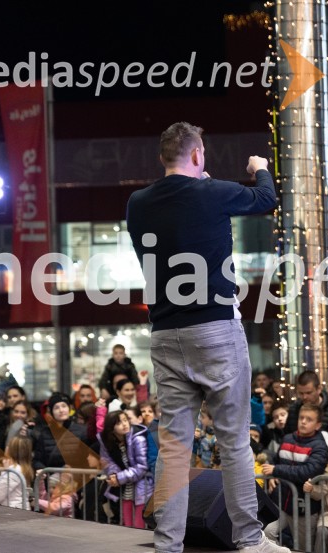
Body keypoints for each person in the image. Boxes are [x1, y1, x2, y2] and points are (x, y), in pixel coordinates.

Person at [126, 122, 280, 553]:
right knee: (234, 443)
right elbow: (266, 198)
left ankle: (168, 545)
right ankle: (250, 540)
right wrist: (260, 168)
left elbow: (177, 213)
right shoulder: (212, 194)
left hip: (165, 333)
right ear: (197, 156)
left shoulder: (137, 203)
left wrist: (206, 187)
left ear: (163, 158)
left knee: (174, 448)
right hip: (214, 328)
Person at [262, 404, 328, 551]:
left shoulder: (320, 447)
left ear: (317, 425)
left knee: (303, 547)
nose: (303, 422)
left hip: (304, 508)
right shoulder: (287, 438)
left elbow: (307, 472)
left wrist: (277, 470)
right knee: (268, 532)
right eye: (301, 418)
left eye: (309, 419)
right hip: (284, 504)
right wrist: (273, 474)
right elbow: (275, 459)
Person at [98, 409, 153, 529]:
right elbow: (107, 461)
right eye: (118, 423)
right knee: (127, 525)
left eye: (125, 420)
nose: (124, 424)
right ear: (111, 428)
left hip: (141, 486)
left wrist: (119, 477)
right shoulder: (108, 441)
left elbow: (142, 466)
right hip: (125, 488)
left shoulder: (138, 438)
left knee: (139, 525)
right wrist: (114, 475)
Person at [283, 370, 328, 439]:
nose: (304, 397)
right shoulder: (294, 410)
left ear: (319, 389)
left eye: (309, 393)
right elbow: (286, 437)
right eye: (301, 393)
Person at [0, 436, 34, 510]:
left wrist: (5, 471)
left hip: (13, 510)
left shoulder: (14, 470)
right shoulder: (24, 468)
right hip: (19, 509)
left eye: (9, 445)